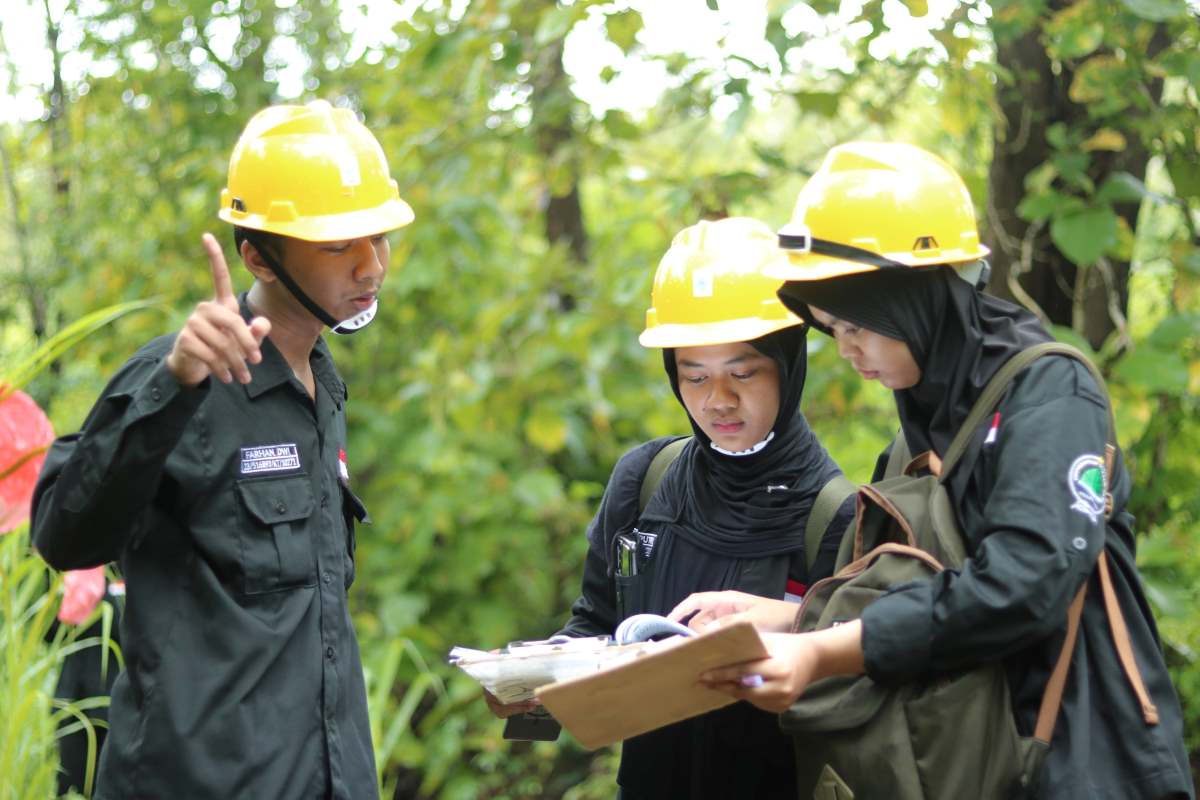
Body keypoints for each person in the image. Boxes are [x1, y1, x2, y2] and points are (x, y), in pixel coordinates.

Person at [676, 142, 1193, 799]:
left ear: (910, 297)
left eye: (858, 325)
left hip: (1086, 761)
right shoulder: (914, 431)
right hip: (977, 762)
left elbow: (1023, 583)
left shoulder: (1049, 394)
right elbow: (915, 590)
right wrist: (789, 618)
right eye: (831, 329)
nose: (847, 350)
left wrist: (820, 653)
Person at [31, 100, 414, 799]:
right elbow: (63, 533)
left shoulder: (322, 384)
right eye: (337, 245)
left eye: (378, 237)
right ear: (257, 255)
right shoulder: (179, 376)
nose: (371, 265)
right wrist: (173, 386)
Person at [488, 217, 856, 799]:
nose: (719, 401)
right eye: (695, 376)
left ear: (789, 364)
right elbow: (595, 622)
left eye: (743, 373)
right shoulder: (644, 481)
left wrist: (791, 625)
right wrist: (528, 693)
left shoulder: (836, 516)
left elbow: (863, 671)